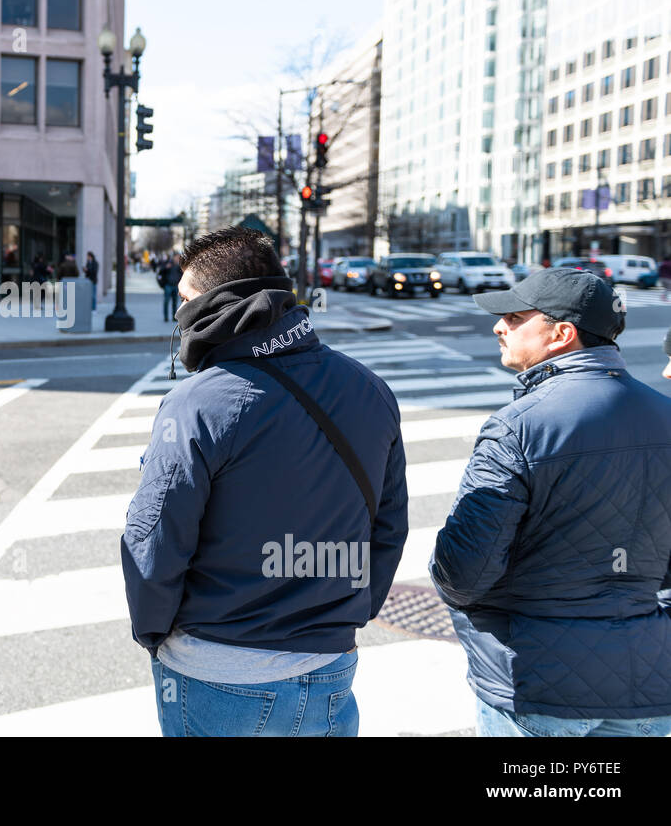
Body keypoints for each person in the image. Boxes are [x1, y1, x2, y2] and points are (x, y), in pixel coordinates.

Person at [122, 226, 409, 737]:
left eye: (185, 302)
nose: (178, 317)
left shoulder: (197, 403)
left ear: (215, 305)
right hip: (329, 667)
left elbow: (154, 539)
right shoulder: (370, 388)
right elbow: (387, 529)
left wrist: (154, 634)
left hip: (218, 670)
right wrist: (346, 616)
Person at [431, 268, 671, 737]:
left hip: (538, 682)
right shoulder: (665, 415)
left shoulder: (519, 426)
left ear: (562, 334)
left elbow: (463, 573)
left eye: (516, 317)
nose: (499, 326)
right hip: (647, 677)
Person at [156, 253, 183, 321]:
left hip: (176, 286)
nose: (177, 259)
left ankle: (174, 317)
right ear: (173, 257)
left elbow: (182, 275)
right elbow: (160, 271)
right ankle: (166, 317)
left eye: (178, 257)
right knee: (166, 301)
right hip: (168, 285)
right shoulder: (167, 263)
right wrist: (165, 267)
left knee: (175, 302)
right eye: (176, 257)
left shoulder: (179, 265)